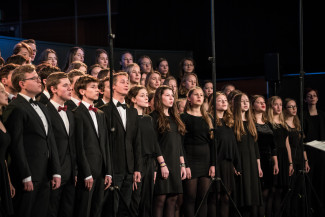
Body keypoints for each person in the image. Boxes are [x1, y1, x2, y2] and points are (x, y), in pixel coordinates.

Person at [3, 64, 61, 217]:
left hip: (45, 174)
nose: (39, 81)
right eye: (34, 78)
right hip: (28, 175)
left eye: (38, 78)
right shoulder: (15, 107)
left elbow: (50, 141)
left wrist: (56, 171)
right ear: (22, 84)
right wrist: (25, 175)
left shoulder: (43, 107)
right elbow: (16, 145)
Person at [100, 72, 142, 217]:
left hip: (130, 168)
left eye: (127, 82)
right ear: (113, 86)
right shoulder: (104, 110)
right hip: (113, 167)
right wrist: (107, 169)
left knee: (126, 208)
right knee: (111, 208)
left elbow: (137, 141)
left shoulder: (132, 112)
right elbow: (104, 143)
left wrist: (137, 168)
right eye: (123, 82)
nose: (126, 84)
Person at [73, 75, 112, 217]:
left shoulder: (100, 114)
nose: (97, 90)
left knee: (97, 210)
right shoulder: (77, 114)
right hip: (88, 172)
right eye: (93, 87)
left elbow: (105, 144)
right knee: (84, 209)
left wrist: (108, 171)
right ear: (82, 91)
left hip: (101, 171)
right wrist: (86, 173)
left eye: (98, 87)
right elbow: (79, 146)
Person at [127, 85, 168, 217]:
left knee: (147, 202)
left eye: (146, 95)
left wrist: (158, 166)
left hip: (150, 163)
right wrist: (134, 168)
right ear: (133, 99)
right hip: (136, 163)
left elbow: (154, 143)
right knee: (135, 201)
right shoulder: (129, 118)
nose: (146, 98)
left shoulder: (148, 118)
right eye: (142, 95)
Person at [150, 86, 186, 217]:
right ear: (160, 97)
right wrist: (162, 164)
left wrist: (182, 164)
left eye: (172, 96)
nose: (171, 98)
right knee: (160, 199)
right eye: (167, 95)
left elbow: (178, 143)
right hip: (162, 162)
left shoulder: (174, 117)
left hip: (175, 162)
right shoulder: (153, 117)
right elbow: (154, 143)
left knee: (173, 199)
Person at [46, 72, 77, 217]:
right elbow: (48, 145)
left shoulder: (70, 113)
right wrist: (54, 171)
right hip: (53, 172)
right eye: (65, 86)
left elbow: (73, 145)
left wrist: (75, 171)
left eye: (70, 86)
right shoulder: (45, 110)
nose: (70, 89)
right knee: (51, 211)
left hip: (70, 173)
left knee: (67, 211)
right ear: (53, 89)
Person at [181, 87, 214, 217]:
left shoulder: (208, 117)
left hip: (206, 160)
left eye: (201, 95)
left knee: (203, 197)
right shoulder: (183, 117)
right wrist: (185, 165)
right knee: (190, 197)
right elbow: (181, 143)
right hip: (190, 159)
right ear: (189, 98)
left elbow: (213, 143)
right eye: (196, 94)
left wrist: (213, 164)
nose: (200, 97)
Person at [207, 91, 240, 217]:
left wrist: (236, 164)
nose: (224, 102)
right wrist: (212, 163)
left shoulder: (229, 121)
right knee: (215, 196)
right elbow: (211, 145)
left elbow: (233, 145)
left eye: (225, 100)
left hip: (227, 163)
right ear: (212, 103)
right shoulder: (210, 120)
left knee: (226, 197)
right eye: (220, 100)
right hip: (216, 163)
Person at [232, 93, 263, 217]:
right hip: (241, 161)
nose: (246, 103)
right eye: (242, 101)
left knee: (252, 196)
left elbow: (255, 147)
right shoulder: (233, 122)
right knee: (242, 196)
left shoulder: (251, 122)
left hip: (252, 163)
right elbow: (232, 147)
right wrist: (234, 165)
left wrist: (259, 166)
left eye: (247, 101)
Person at [251, 95, 279, 217]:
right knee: (258, 193)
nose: (263, 104)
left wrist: (276, 163)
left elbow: (273, 146)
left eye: (264, 102)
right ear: (253, 105)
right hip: (256, 159)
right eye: (259, 102)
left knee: (268, 191)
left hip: (268, 161)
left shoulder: (268, 123)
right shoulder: (250, 123)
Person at [266, 96, 294, 216]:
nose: (279, 107)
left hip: (284, 158)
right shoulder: (268, 123)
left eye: (280, 104)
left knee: (281, 190)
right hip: (274, 157)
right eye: (276, 104)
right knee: (272, 190)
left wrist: (290, 163)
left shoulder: (283, 124)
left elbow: (287, 144)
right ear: (271, 106)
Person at [283, 98, 310, 217]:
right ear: (285, 109)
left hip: (300, 159)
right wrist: (290, 163)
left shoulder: (298, 123)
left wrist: (306, 161)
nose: (294, 109)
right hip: (291, 159)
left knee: (298, 191)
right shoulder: (284, 125)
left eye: (295, 106)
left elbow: (302, 145)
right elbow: (287, 145)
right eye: (290, 107)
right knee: (290, 190)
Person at [0, 83, 15, 217]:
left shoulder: (2, 118)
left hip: (3, 174)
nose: (6, 95)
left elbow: (3, 156)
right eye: (2, 92)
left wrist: (8, 181)